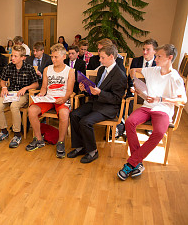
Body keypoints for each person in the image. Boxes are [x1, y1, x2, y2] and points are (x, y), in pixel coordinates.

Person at [117, 44, 187, 180]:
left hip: (163, 109)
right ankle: (137, 163)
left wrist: (161, 98)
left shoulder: (175, 77)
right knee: (130, 122)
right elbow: (133, 70)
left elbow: (182, 100)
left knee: (159, 132)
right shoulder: (152, 70)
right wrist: (135, 85)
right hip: (147, 106)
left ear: (169, 58)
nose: (156, 59)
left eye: (159, 56)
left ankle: (132, 163)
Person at [68, 44, 127, 163]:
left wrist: (100, 93)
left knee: (85, 122)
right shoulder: (101, 70)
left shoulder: (120, 75)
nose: (99, 60)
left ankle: (92, 151)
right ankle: (80, 147)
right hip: (96, 102)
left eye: (102, 57)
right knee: (74, 115)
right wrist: (85, 89)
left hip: (108, 107)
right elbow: (95, 90)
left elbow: (116, 99)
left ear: (111, 57)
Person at [26, 44, 75, 158]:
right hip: (48, 98)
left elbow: (69, 90)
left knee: (64, 114)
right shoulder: (47, 69)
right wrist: (41, 94)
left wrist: (64, 98)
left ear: (64, 57)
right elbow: (44, 87)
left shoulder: (70, 71)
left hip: (62, 98)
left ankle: (61, 142)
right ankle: (38, 139)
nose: (53, 59)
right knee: (32, 111)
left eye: (56, 57)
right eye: (52, 57)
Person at [0, 45, 38, 148]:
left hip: (23, 94)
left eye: (15, 56)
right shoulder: (8, 67)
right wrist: (4, 87)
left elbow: (36, 84)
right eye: (12, 55)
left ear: (23, 57)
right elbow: (3, 81)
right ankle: (4, 131)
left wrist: (26, 88)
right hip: (11, 93)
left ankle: (17, 134)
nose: (12, 58)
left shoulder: (29, 68)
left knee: (14, 106)